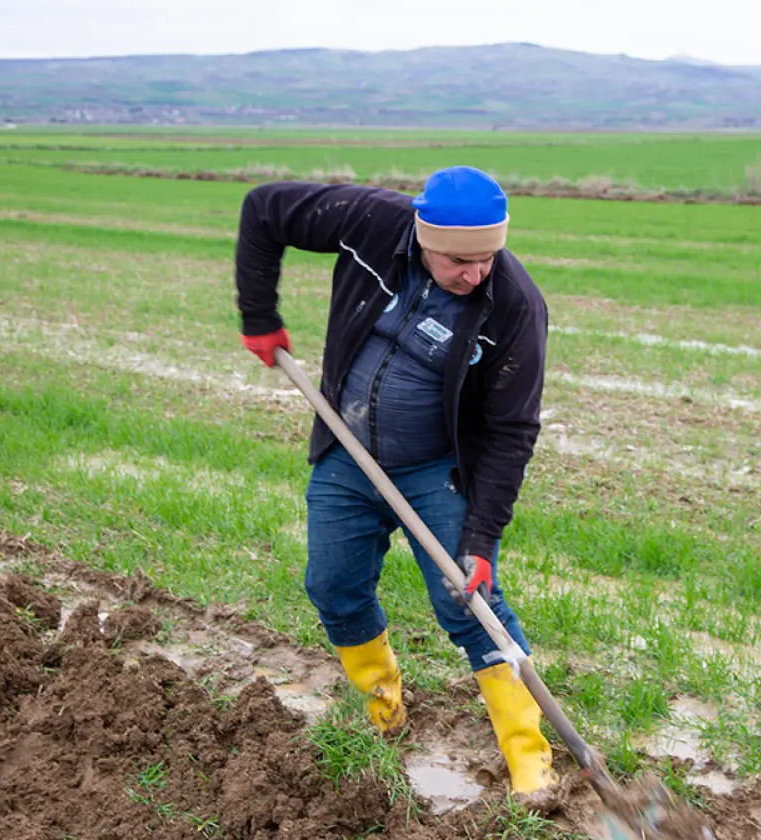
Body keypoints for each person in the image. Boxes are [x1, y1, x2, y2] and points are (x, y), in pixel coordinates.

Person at [235, 166, 556, 801]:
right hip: (347, 454)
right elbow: (265, 208)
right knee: (332, 585)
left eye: (488, 258)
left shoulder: (514, 305)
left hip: (436, 471)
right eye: (461, 261)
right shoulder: (371, 224)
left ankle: (531, 761)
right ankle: (384, 712)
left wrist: (482, 541)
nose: (477, 274)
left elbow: (512, 429)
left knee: (469, 605)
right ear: (422, 234)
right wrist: (258, 314)